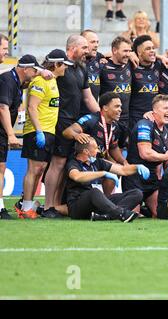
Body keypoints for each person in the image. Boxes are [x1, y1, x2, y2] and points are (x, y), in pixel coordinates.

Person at [44, 35, 100, 215]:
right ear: (73, 48)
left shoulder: (81, 69)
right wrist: (42, 72)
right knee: (57, 163)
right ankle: (47, 206)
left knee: (64, 164)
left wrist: (101, 116)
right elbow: (40, 72)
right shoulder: (58, 65)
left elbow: (88, 97)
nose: (87, 51)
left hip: (74, 121)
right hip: (60, 120)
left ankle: (55, 206)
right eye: (84, 47)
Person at [17, 50, 71, 219]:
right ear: (56, 64)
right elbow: (32, 107)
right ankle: (26, 208)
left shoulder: (52, 80)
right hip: (37, 130)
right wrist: (39, 130)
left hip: (48, 131)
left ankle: (26, 204)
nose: (66, 69)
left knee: (39, 169)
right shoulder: (41, 81)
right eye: (64, 66)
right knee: (34, 169)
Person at [66, 137, 149, 222]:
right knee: (94, 192)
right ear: (86, 151)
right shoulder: (73, 163)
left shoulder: (97, 162)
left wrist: (137, 167)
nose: (98, 151)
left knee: (137, 193)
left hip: (97, 204)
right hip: (78, 207)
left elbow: (122, 170)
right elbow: (76, 176)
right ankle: (121, 214)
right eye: (95, 148)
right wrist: (103, 173)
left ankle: (107, 216)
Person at [0, 55, 42, 219]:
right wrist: (11, 134)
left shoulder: (17, 82)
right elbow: (2, 108)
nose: (35, 73)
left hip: (3, 131)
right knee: (1, 168)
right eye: (34, 70)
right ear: (26, 69)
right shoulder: (8, 81)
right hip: (2, 131)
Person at [63, 92, 126, 196]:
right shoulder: (91, 119)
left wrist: (124, 161)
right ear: (105, 108)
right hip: (83, 163)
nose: (120, 110)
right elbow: (67, 132)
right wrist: (76, 135)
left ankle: (105, 201)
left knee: (117, 169)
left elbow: (113, 147)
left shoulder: (116, 126)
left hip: (98, 162)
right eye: (117, 106)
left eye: (120, 107)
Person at [122, 94, 168, 218]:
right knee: (133, 215)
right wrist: (166, 157)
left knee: (161, 214)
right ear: (154, 111)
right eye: (165, 108)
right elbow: (145, 153)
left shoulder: (165, 130)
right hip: (135, 177)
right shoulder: (144, 124)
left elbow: (160, 156)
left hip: (152, 180)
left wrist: (160, 175)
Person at [99, 36, 133, 148]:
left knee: (122, 148)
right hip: (109, 120)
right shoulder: (103, 67)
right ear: (114, 50)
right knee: (108, 151)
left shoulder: (130, 64)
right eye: (125, 51)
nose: (128, 54)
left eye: (129, 51)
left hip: (126, 119)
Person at [129, 35, 162, 129]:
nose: (152, 50)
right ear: (139, 52)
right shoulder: (130, 65)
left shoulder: (158, 64)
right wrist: (130, 53)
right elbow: (107, 55)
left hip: (154, 117)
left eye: (153, 48)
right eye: (148, 48)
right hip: (135, 118)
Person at [80, 29, 104, 117]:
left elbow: (114, 55)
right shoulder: (72, 62)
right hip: (75, 115)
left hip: (92, 113)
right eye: (93, 42)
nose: (96, 45)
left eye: (97, 42)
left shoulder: (98, 58)